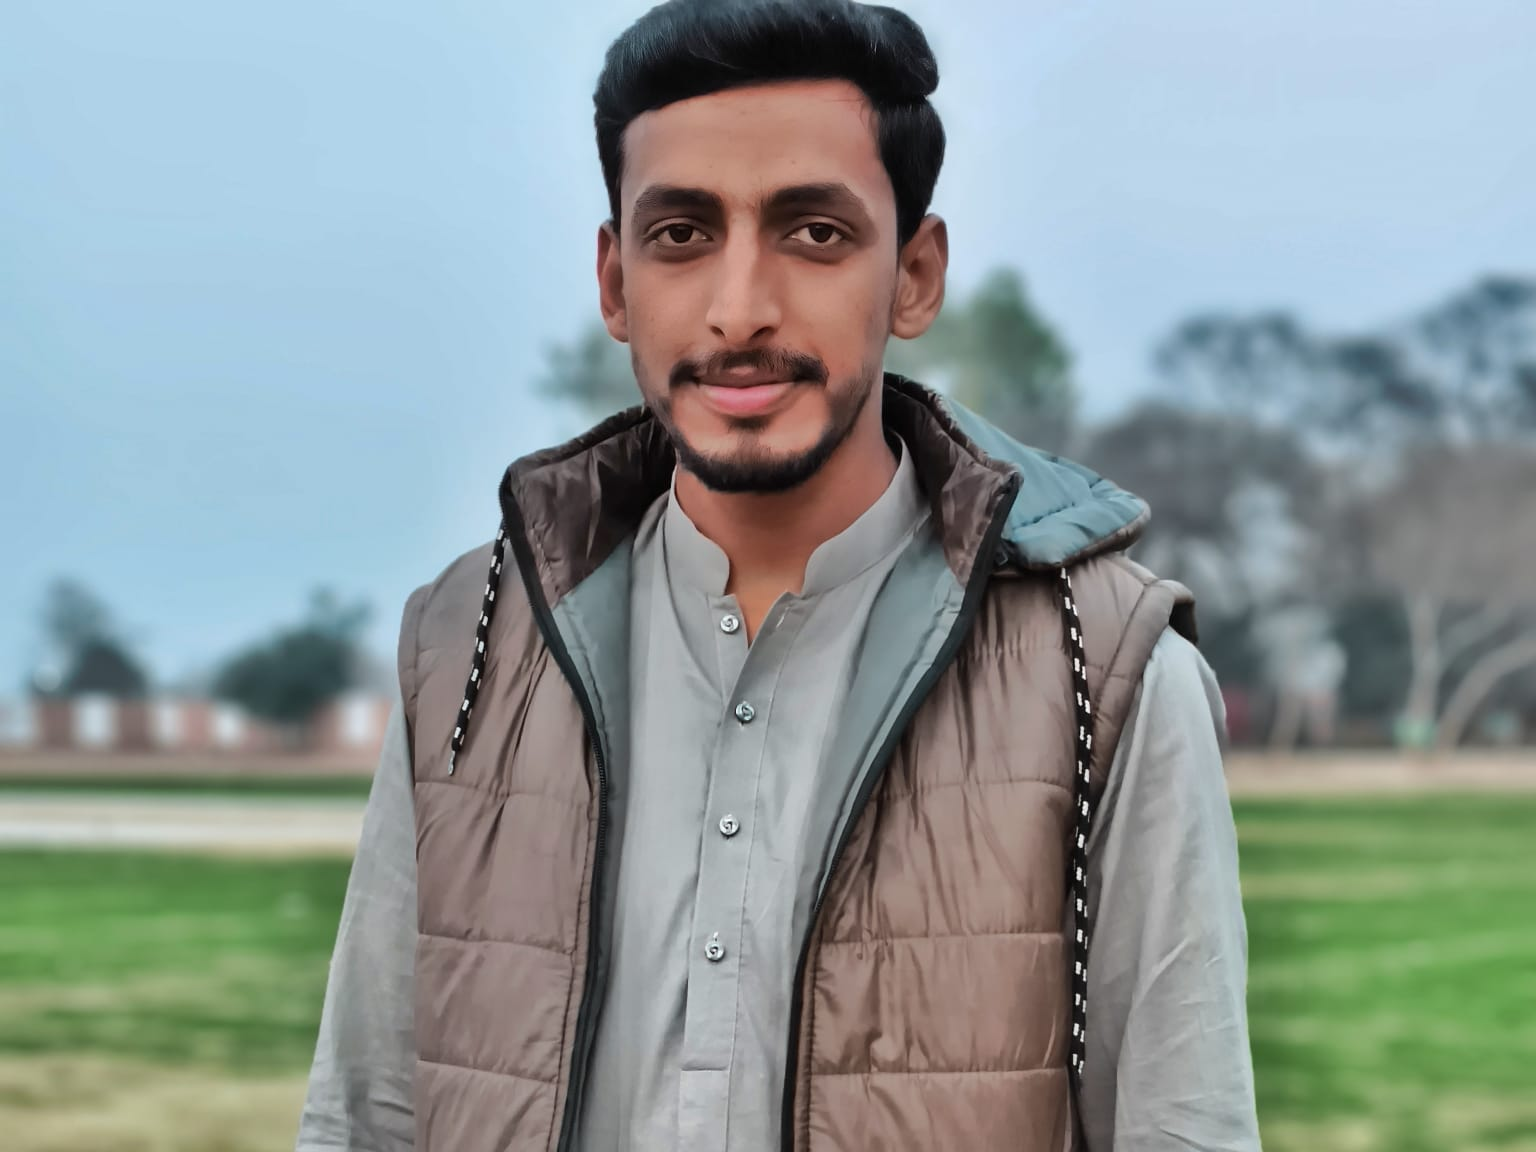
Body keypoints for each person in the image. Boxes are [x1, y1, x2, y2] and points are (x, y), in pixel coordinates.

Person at [295, 2, 1261, 1149]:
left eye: (813, 233)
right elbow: (365, 1117)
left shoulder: (1105, 667)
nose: (740, 310)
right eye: (681, 234)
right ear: (615, 281)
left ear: (913, 276)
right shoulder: (468, 644)